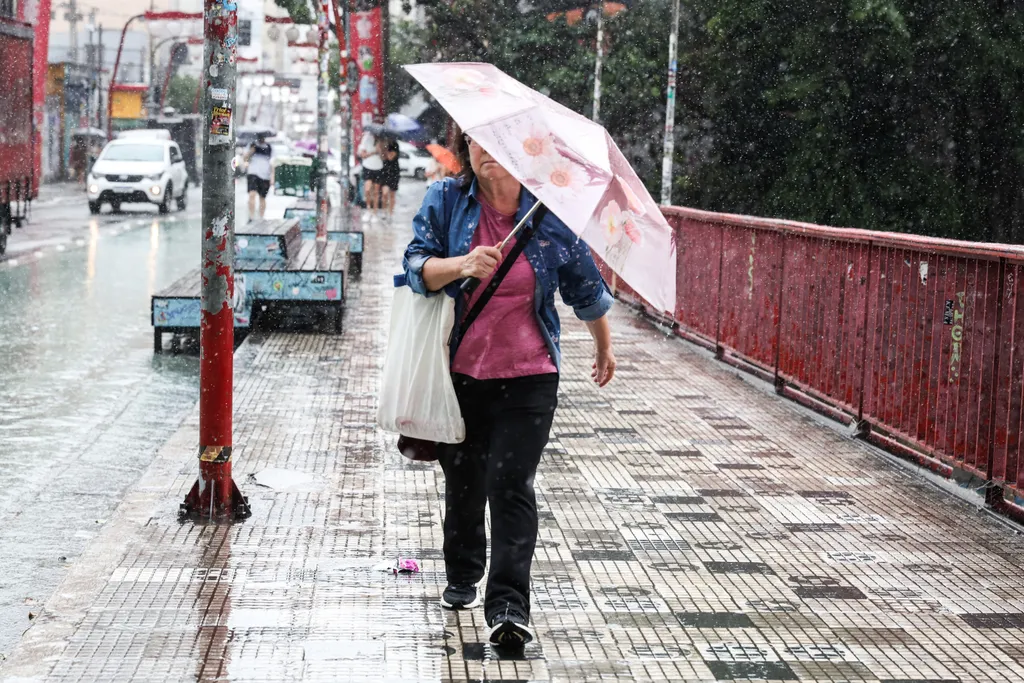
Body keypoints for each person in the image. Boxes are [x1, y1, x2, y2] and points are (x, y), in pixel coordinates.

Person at [403, 129, 617, 650]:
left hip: (530, 374)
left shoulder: (550, 213)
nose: (487, 152)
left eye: (500, 143)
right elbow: (415, 267)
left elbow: (585, 287)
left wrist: (603, 347)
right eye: (477, 141)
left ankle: (508, 606)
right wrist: (462, 264)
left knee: (511, 483)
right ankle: (463, 570)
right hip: (459, 372)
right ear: (466, 148)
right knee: (465, 480)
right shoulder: (446, 199)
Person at [244, 133, 273, 221]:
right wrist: (251, 151)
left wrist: (272, 176)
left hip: (265, 175)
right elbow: (245, 159)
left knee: (262, 197)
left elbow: (272, 162)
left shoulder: (269, 147)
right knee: (252, 194)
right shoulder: (252, 145)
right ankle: (251, 217)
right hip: (253, 173)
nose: (261, 138)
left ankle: (261, 217)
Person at [358, 127, 383, 219]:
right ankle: (368, 209)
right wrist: (373, 152)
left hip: (378, 167)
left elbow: (384, 156)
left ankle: (375, 212)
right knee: (367, 189)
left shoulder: (381, 140)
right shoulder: (366, 138)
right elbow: (362, 154)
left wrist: (379, 149)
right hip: (367, 167)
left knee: (376, 191)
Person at [379, 138, 400, 220]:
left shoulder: (395, 145)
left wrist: (385, 150)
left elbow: (390, 157)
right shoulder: (384, 144)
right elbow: (382, 157)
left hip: (394, 172)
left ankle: (391, 213)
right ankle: (384, 211)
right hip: (385, 172)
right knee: (384, 194)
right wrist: (382, 149)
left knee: (392, 195)